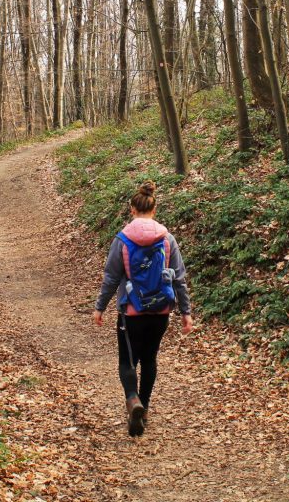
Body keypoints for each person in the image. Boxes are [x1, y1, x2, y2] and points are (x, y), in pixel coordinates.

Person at [92, 180, 193, 436]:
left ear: (132, 210)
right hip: (160, 312)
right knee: (149, 359)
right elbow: (179, 278)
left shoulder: (123, 239)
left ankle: (132, 400)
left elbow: (111, 277)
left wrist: (100, 307)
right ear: (154, 208)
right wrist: (186, 312)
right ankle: (144, 408)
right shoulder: (167, 238)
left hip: (131, 312)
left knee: (127, 360)